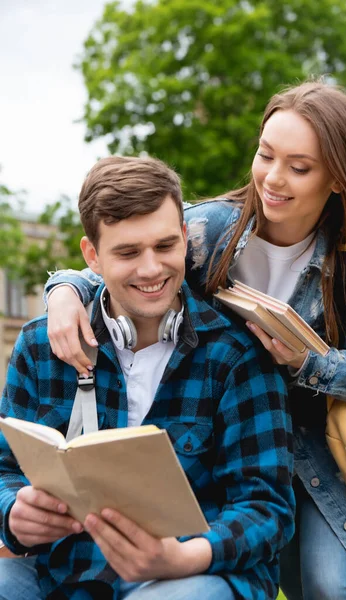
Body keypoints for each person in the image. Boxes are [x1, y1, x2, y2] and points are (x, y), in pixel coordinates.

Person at [42, 80, 346, 600]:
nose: (273, 179)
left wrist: (310, 363)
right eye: (265, 155)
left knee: (328, 585)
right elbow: (127, 263)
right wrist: (64, 289)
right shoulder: (209, 228)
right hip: (225, 440)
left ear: (339, 179)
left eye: (299, 168)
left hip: (312, 451)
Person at [0, 156, 295, 600]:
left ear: (183, 239)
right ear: (92, 256)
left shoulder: (237, 354)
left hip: (195, 575)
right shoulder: (40, 346)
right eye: (128, 252)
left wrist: (186, 556)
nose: (152, 269)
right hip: (64, 572)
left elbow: (267, 508)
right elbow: (4, 469)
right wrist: (12, 514)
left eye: (164, 246)